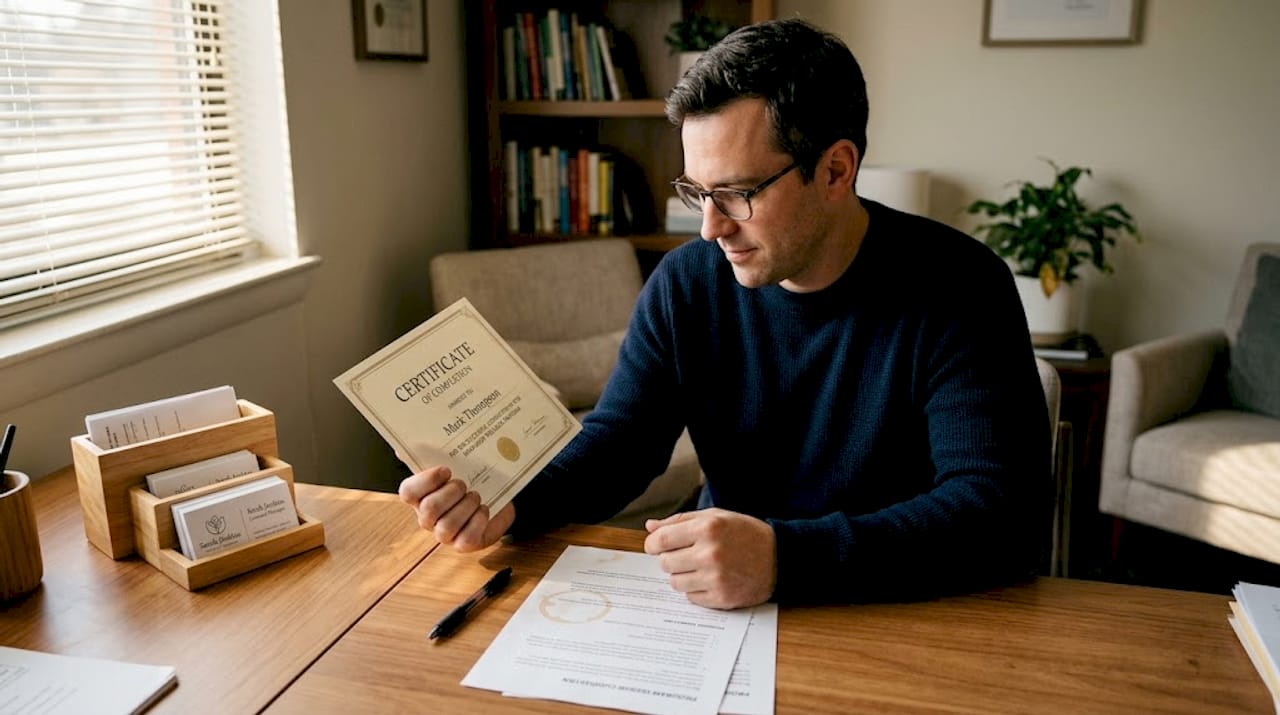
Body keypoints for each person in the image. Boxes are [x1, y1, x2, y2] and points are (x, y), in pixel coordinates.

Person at [399, 18, 1049, 609]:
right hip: (724, 610)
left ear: (835, 169)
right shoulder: (687, 284)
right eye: (696, 192)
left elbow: (999, 515)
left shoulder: (959, 286)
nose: (709, 228)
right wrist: (510, 500)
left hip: (907, 607)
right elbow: (622, 444)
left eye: (736, 194)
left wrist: (782, 558)